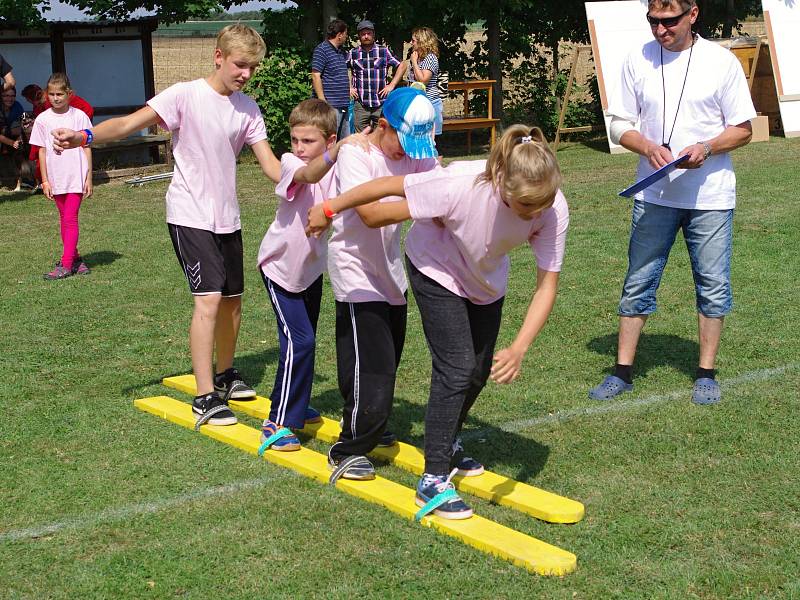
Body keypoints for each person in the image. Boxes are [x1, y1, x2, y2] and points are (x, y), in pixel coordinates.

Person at [307, 125, 569, 520]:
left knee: (477, 372)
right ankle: (433, 479)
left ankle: (446, 440)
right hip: (435, 267)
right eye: (524, 209)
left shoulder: (552, 206)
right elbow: (385, 186)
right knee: (457, 366)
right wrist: (330, 208)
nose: (533, 217)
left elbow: (547, 285)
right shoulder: (458, 183)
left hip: (484, 282)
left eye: (539, 209)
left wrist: (519, 347)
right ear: (500, 182)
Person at [52, 24, 282, 426]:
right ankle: (205, 395)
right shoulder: (185, 95)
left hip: (227, 217)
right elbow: (128, 124)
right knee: (208, 300)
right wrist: (83, 136)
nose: (246, 74)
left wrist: (320, 169)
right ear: (218, 56)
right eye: (240, 64)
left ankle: (226, 374)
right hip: (188, 214)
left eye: (252, 68)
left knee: (232, 302)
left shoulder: (247, 108)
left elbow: (271, 167)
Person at [588, 0, 755, 405]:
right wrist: (646, 146)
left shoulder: (721, 62)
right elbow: (620, 124)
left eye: (670, 22)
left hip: (710, 197)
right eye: (654, 22)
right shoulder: (636, 59)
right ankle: (622, 372)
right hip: (653, 193)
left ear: (692, 14)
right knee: (638, 279)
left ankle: (706, 374)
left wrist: (708, 147)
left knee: (713, 286)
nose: (661, 30)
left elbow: (744, 129)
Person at [324, 87, 438, 482]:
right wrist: (427, 203)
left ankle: (371, 420)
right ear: (383, 125)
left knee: (385, 360)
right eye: (401, 143)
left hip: (390, 273)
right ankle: (349, 448)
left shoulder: (412, 155)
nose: (405, 154)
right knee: (370, 365)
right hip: (356, 272)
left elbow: (441, 181)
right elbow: (371, 214)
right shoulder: (357, 155)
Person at [255, 99, 368, 451]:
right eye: (295, 140)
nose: (299, 148)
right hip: (279, 269)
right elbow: (308, 174)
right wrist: (335, 153)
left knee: (303, 343)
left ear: (329, 139)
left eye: (308, 142)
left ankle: (296, 406)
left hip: (310, 272)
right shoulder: (292, 164)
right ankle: (277, 421)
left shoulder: (338, 164)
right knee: (299, 341)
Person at [29, 73, 93, 279]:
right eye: (52, 94)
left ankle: (65, 265)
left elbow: (87, 148)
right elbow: (41, 151)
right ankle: (76, 259)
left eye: (60, 94)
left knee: (70, 218)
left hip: (75, 176)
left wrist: (89, 177)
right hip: (55, 178)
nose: (56, 98)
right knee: (63, 217)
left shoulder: (79, 117)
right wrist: (45, 180)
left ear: (69, 94)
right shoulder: (42, 119)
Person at [22, 84, 94, 189]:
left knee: (78, 147)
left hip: (82, 115)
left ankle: (78, 176)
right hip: (65, 125)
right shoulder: (41, 104)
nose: (55, 97)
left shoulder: (50, 102)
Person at [348, 20, 407, 133]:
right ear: (359, 36)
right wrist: (349, 87)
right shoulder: (353, 53)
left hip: (381, 104)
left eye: (368, 33)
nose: (366, 36)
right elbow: (340, 69)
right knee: (360, 139)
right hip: (361, 105)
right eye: (363, 34)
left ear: (373, 34)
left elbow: (402, 65)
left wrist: (392, 85)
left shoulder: (383, 51)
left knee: (381, 137)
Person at [311, 19, 351, 142]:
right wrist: (322, 101)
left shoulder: (340, 52)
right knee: (330, 142)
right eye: (345, 34)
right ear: (339, 35)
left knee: (344, 143)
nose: (346, 37)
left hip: (343, 104)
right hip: (331, 106)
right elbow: (315, 75)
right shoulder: (322, 50)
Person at [406, 27, 443, 141]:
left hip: (430, 104)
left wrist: (414, 62)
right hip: (419, 104)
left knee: (434, 141)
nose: (411, 43)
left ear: (422, 41)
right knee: (419, 139)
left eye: (414, 40)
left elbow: (423, 80)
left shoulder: (430, 58)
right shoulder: (419, 58)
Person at [0, 85, 28, 191]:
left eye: (12, 96)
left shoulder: (17, 106)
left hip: (12, 136)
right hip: (7, 138)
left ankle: (22, 181)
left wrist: (19, 139)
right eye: (5, 96)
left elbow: (20, 128)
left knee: (22, 148)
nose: (9, 98)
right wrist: (11, 142)